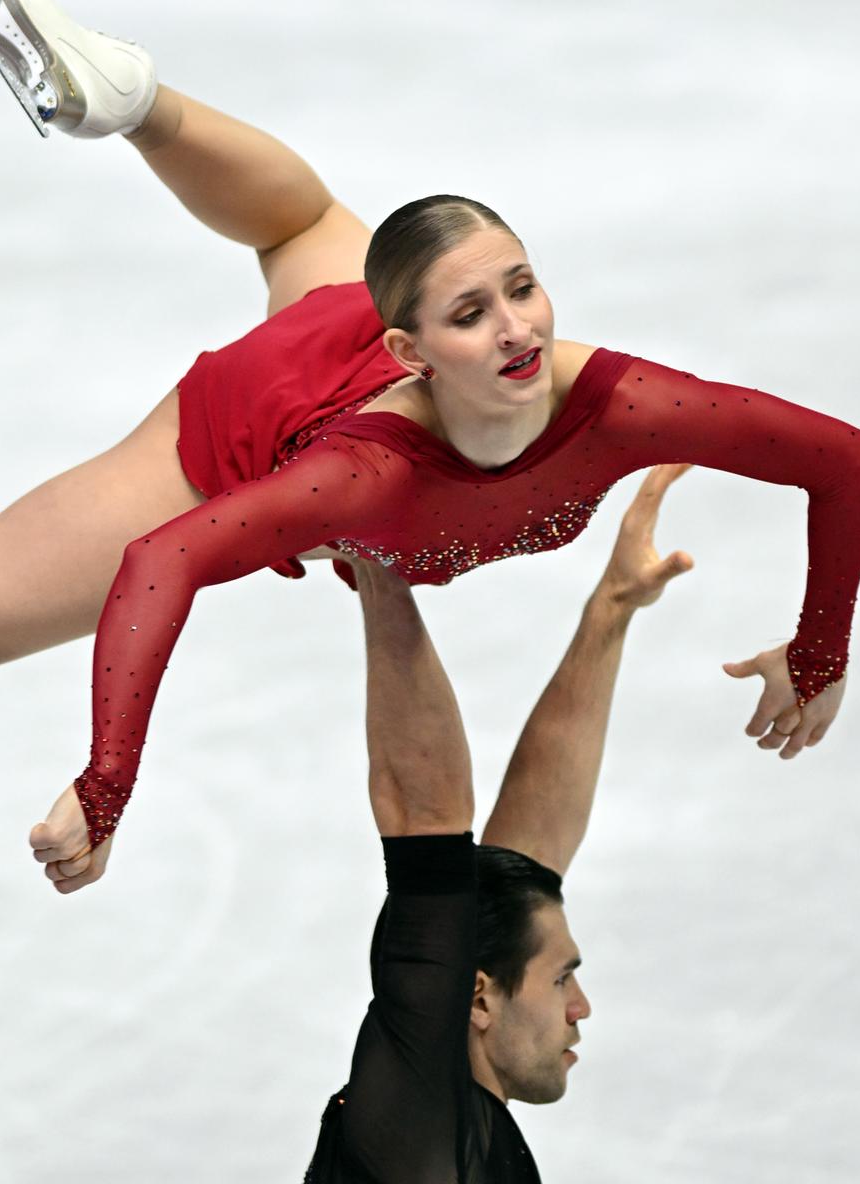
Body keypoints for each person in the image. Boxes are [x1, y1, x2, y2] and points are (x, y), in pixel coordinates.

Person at [0, 0, 860, 892]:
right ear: (415, 351)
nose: (521, 332)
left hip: (364, 316)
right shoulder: (360, 479)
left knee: (305, 238)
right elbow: (163, 557)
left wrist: (820, 653)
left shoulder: (619, 401)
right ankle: (141, 110)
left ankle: (130, 99)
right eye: (476, 313)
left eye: (524, 287)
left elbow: (843, 457)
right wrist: (106, 786)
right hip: (262, 417)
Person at [306, 464, 693, 1181]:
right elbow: (424, 815)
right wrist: (374, 556)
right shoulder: (415, 1127)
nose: (581, 1008)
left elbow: (530, 855)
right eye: (560, 981)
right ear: (477, 996)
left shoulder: (446, 1119)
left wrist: (611, 609)